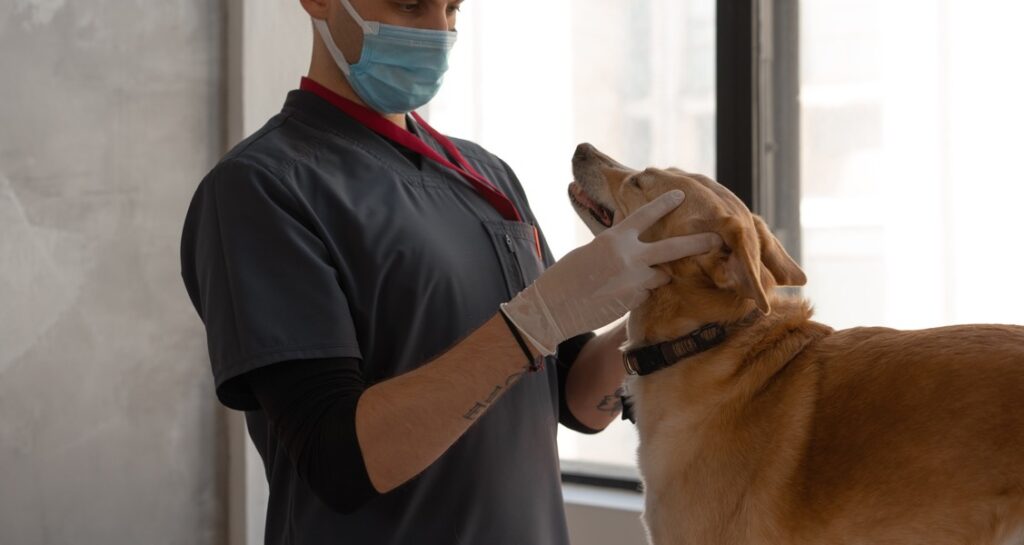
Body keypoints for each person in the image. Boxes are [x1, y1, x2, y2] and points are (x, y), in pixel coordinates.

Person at [179, 0, 720, 543]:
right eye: (411, 4)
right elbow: (339, 462)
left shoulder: (486, 175)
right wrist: (537, 319)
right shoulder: (262, 188)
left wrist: (663, 300)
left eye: (452, 8)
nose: (438, 32)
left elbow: (575, 401)